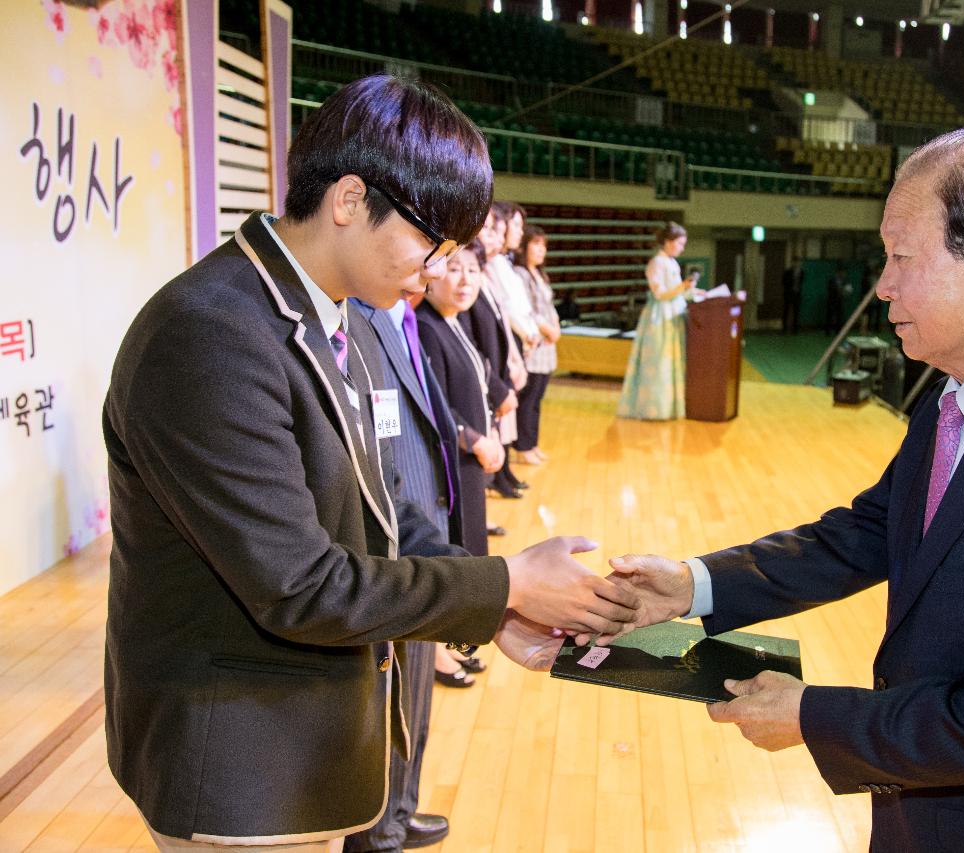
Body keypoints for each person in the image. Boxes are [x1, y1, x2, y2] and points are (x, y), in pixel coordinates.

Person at [603, 129, 964, 852]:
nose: (883, 284)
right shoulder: (956, 397)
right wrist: (691, 585)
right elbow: (869, 531)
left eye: (903, 256)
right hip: (926, 808)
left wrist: (814, 718)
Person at [102, 75, 638, 851]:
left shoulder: (326, 309)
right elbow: (300, 584)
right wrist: (508, 581)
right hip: (238, 771)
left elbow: (382, 507)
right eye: (433, 240)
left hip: (300, 749)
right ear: (350, 198)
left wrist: (498, 610)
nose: (435, 269)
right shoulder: (209, 334)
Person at [345, 265, 462, 850]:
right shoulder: (356, 320)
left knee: (414, 698)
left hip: (420, 531)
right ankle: (380, 826)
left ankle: (400, 807)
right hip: (397, 545)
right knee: (393, 698)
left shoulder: (397, 317)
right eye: (433, 246)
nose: (440, 265)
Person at [417, 242, 504, 559]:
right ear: (433, 273)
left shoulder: (455, 320)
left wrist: (492, 431)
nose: (466, 280)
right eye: (454, 270)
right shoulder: (427, 327)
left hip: (472, 457)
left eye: (473, 270)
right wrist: (478, 441)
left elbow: (480, 386)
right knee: (465, 550)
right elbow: (433, 404)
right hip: (455, 458)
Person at [474, 205, 529, 499]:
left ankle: (501, 474)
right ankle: (495, 478)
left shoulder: (495, 267)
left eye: (497, 229)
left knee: (501, 426)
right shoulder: (477, 270)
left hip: (500, 361)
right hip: (487, 370)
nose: (496, 236)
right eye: (489, 229)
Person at [618, 222, 695, 420]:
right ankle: (654, 408)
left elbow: (676, 292)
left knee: (671, 362)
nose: (682, 248)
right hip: (660, 317)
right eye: (679, 243)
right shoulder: (657, 263)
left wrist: (691, 290)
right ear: (668, 242)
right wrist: (682, 287)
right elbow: (660, 293)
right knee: (659, 362)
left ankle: (670, 407)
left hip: (673, 314)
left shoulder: (672, 263)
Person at [513, 224, 560, 465]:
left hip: (547, 345)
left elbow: (549, 306)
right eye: (536, 244)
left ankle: (533, 443)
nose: (542, 250)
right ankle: (523, 446)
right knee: (528, 399)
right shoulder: (520, 274)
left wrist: (556, 325)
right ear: (524, 246)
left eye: (544, 245)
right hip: (534, 343)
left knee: (537, 398)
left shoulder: (540, 274)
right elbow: (528, 310)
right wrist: (548, 328)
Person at [781, 259, 804, 334]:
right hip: (788, 294)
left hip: (797, 294)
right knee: (786, 311)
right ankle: (784, 328)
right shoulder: (788, 272)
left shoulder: (801, 272)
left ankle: (795, 329)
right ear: (792, 263)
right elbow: (783, 281)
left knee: (796, 311)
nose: (797, 264)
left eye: (798, 262)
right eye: (795, 262)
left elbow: (801, 282)